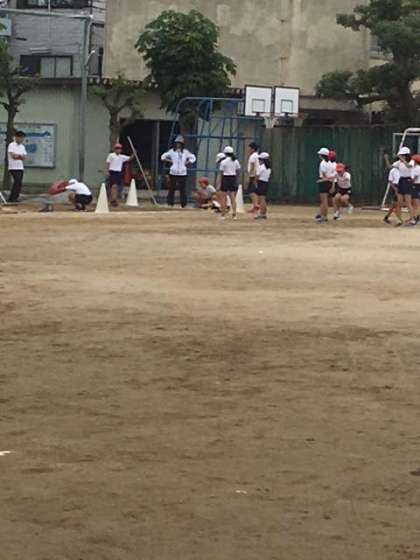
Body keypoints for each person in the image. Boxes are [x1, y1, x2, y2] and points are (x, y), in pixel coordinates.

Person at [161, 135, 196, 208]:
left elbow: (193, 157)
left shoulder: (185, 152)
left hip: (182, 173)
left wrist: (188, 162)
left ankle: (183, 204)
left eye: (180, 143)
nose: (178, 145)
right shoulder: (172, 151)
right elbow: (163, 156)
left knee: (182, 189)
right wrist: (170, 161)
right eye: (177, 143)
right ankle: (170, 203)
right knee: (172, 188)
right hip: (173, 172)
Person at [393, 147, 416, 226]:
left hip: (408, 180)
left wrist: (402, 160)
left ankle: (412, 219)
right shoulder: (399, 162)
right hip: (401, 180)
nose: (402, 156)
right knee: (399, 202)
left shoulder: (412, 161)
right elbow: (392, 166)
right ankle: (399, 219)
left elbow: (409, 166)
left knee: (408, 202)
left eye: (403, 155)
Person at [219, 146, 241, 220]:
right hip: (233, 178)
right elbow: (238, 171)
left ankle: (223, 214)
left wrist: (220, 182)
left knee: (223, 197)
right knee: (232, 197)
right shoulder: (236, 161)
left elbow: (221, 173)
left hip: (225, 178)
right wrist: (237, 179)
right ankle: (234, 214)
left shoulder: (223, 162)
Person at [7, 131, 27, 203]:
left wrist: (19, 156)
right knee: (17, 181)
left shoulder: (22, 146)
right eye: (21, 138)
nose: (22, 139)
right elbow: (13, 156)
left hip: (20, 167)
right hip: (13, 167)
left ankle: (15, 197)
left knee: (19, 183)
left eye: (23, 138)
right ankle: (12, 198)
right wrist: (20, 156)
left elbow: (24, 157)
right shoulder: (11, 145)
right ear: (16, 137)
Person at [316, 147, 333, 223]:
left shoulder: (322, 163)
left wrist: (321, 180)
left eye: (320, 154)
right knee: (325, 200)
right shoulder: (331, 163)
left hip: (324, 182)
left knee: (324, 201)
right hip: (330, 182)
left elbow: (324, 175)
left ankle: (324, 217)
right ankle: (321, 214)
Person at [255, 152, 271, 220]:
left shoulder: (261, 167)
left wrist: (255, 183)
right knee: (263, 199)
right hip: (266, 183)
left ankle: (262, 213)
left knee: (261, 199)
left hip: (261, 183)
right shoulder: (268, 167)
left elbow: (257, 176)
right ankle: (264, 213)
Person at [247, 142, 260, 214]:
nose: (248, 150)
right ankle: (255, 205)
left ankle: (256, 205)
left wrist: (250, 174)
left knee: (251, 191)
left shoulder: (252, 156)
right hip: (256, 174)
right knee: (254, 191)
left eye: (249, 148)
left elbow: (252, 166)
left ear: (253, 149)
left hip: (253, 175)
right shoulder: (257, 155)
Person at [411, 154, 420, 224]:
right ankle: (416, 217)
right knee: (415, 203)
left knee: (416, 204)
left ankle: (415, 218)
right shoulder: (414, 168)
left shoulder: (417, 168)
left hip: (416, 186)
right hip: (416, 186)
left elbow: (414, 178)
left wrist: (409, 182)